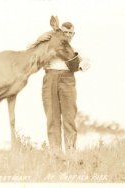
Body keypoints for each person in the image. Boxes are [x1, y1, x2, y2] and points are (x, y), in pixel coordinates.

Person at [42, 21, 90, 155]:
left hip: (67, 79)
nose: (68, 35)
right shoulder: (48, 46)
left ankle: (70, 152)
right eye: (65, 32)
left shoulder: (75, 49)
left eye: (70, 33)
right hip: (50, 77)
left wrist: (80, 65)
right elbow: (37, 58)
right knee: (52, 116)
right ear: (60, 33)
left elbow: (86, 62)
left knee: (69, 116)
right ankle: (56, 153)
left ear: (73, 34)